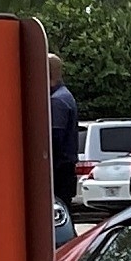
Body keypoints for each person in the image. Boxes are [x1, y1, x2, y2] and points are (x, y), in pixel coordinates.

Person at [48, 53, 79, 210]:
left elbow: (55, 140)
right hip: (66, 169)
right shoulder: (65, 96)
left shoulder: (57, 101)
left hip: (59, 171)